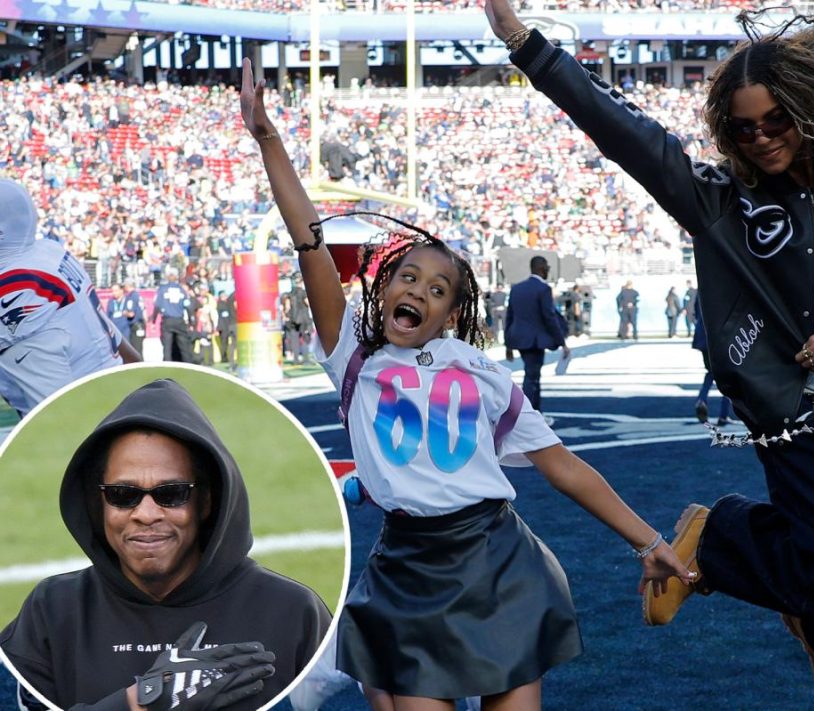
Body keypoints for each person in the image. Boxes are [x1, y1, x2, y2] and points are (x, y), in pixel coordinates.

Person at [487, 4, 814, 704]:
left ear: (808, 108)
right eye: (743, 127)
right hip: (804, 419)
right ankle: (720, 538)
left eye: (776, 121)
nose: (760, 138)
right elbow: (623, 133)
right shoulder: (722, 203)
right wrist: (525, 44)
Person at [240, 56, 692, 710]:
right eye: (408, 277)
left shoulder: (483, 373)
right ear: (383, 288)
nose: (418, 290)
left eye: (437, 288)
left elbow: (563, 467)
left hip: (498, 561)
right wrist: (268, 139)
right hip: (408, 567)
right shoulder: (352, 357)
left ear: (452, 314)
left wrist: (649, 540)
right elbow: (310, 242)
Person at [0, 378, 332, 709]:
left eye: (171, 493)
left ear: (206, 502)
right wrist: (139, 702)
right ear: (97, 503)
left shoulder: (293, 613)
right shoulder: (52, 611)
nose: (146, 514)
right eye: (122, 494)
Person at [0, 179, 139, 418]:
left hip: (91, 420)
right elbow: (129, 358)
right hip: (119, 397)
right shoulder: (49, 252)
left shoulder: (16, 289)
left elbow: (60, 416)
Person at [504, 256, 570, 415]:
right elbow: (549, 317)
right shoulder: (543, 289)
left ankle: (533, 412)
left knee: (531, 374)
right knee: (532, 377)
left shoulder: (517, 288)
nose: (548, 270)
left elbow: (510, 317)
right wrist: (562, 342)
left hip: (519, 338)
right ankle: (528, 413)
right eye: (547, 267)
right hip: (535, 340)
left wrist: (508, 344)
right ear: (541, 268)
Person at [691, 299, 736, 427]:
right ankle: (723, 415)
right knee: (727, 376)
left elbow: (696, 312)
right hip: (718, 337)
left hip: (702, 338)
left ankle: (701, 399)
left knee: (711, 372)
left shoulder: (701, 293)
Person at [150, 267, 194, 362]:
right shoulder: (182, 290)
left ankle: (167, 365)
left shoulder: (163, 289)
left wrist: (153, 321)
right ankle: (188, 365)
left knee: (167, 346)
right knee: (184, 346)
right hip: (179, 320)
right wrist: (191, 322)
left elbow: (157, 306)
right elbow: (188, 307)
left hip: (167, 320)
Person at [120, 277, 147, 357]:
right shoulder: (138, 295)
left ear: (128, 286)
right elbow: (144, 312)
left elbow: (131, 314)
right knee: (139, 348)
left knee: (136, 350)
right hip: (141, 324)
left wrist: (124, 313)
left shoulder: (131, 297)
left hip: (135, 325)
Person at [216, 289, 237, 365]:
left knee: (232, 343)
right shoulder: (220, 305)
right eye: (223, 296)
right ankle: (224, 358)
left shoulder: (227, 303)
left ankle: (229, 358)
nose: (225, 297)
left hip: (229, 325)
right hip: (224, 326)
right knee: (225, 343)